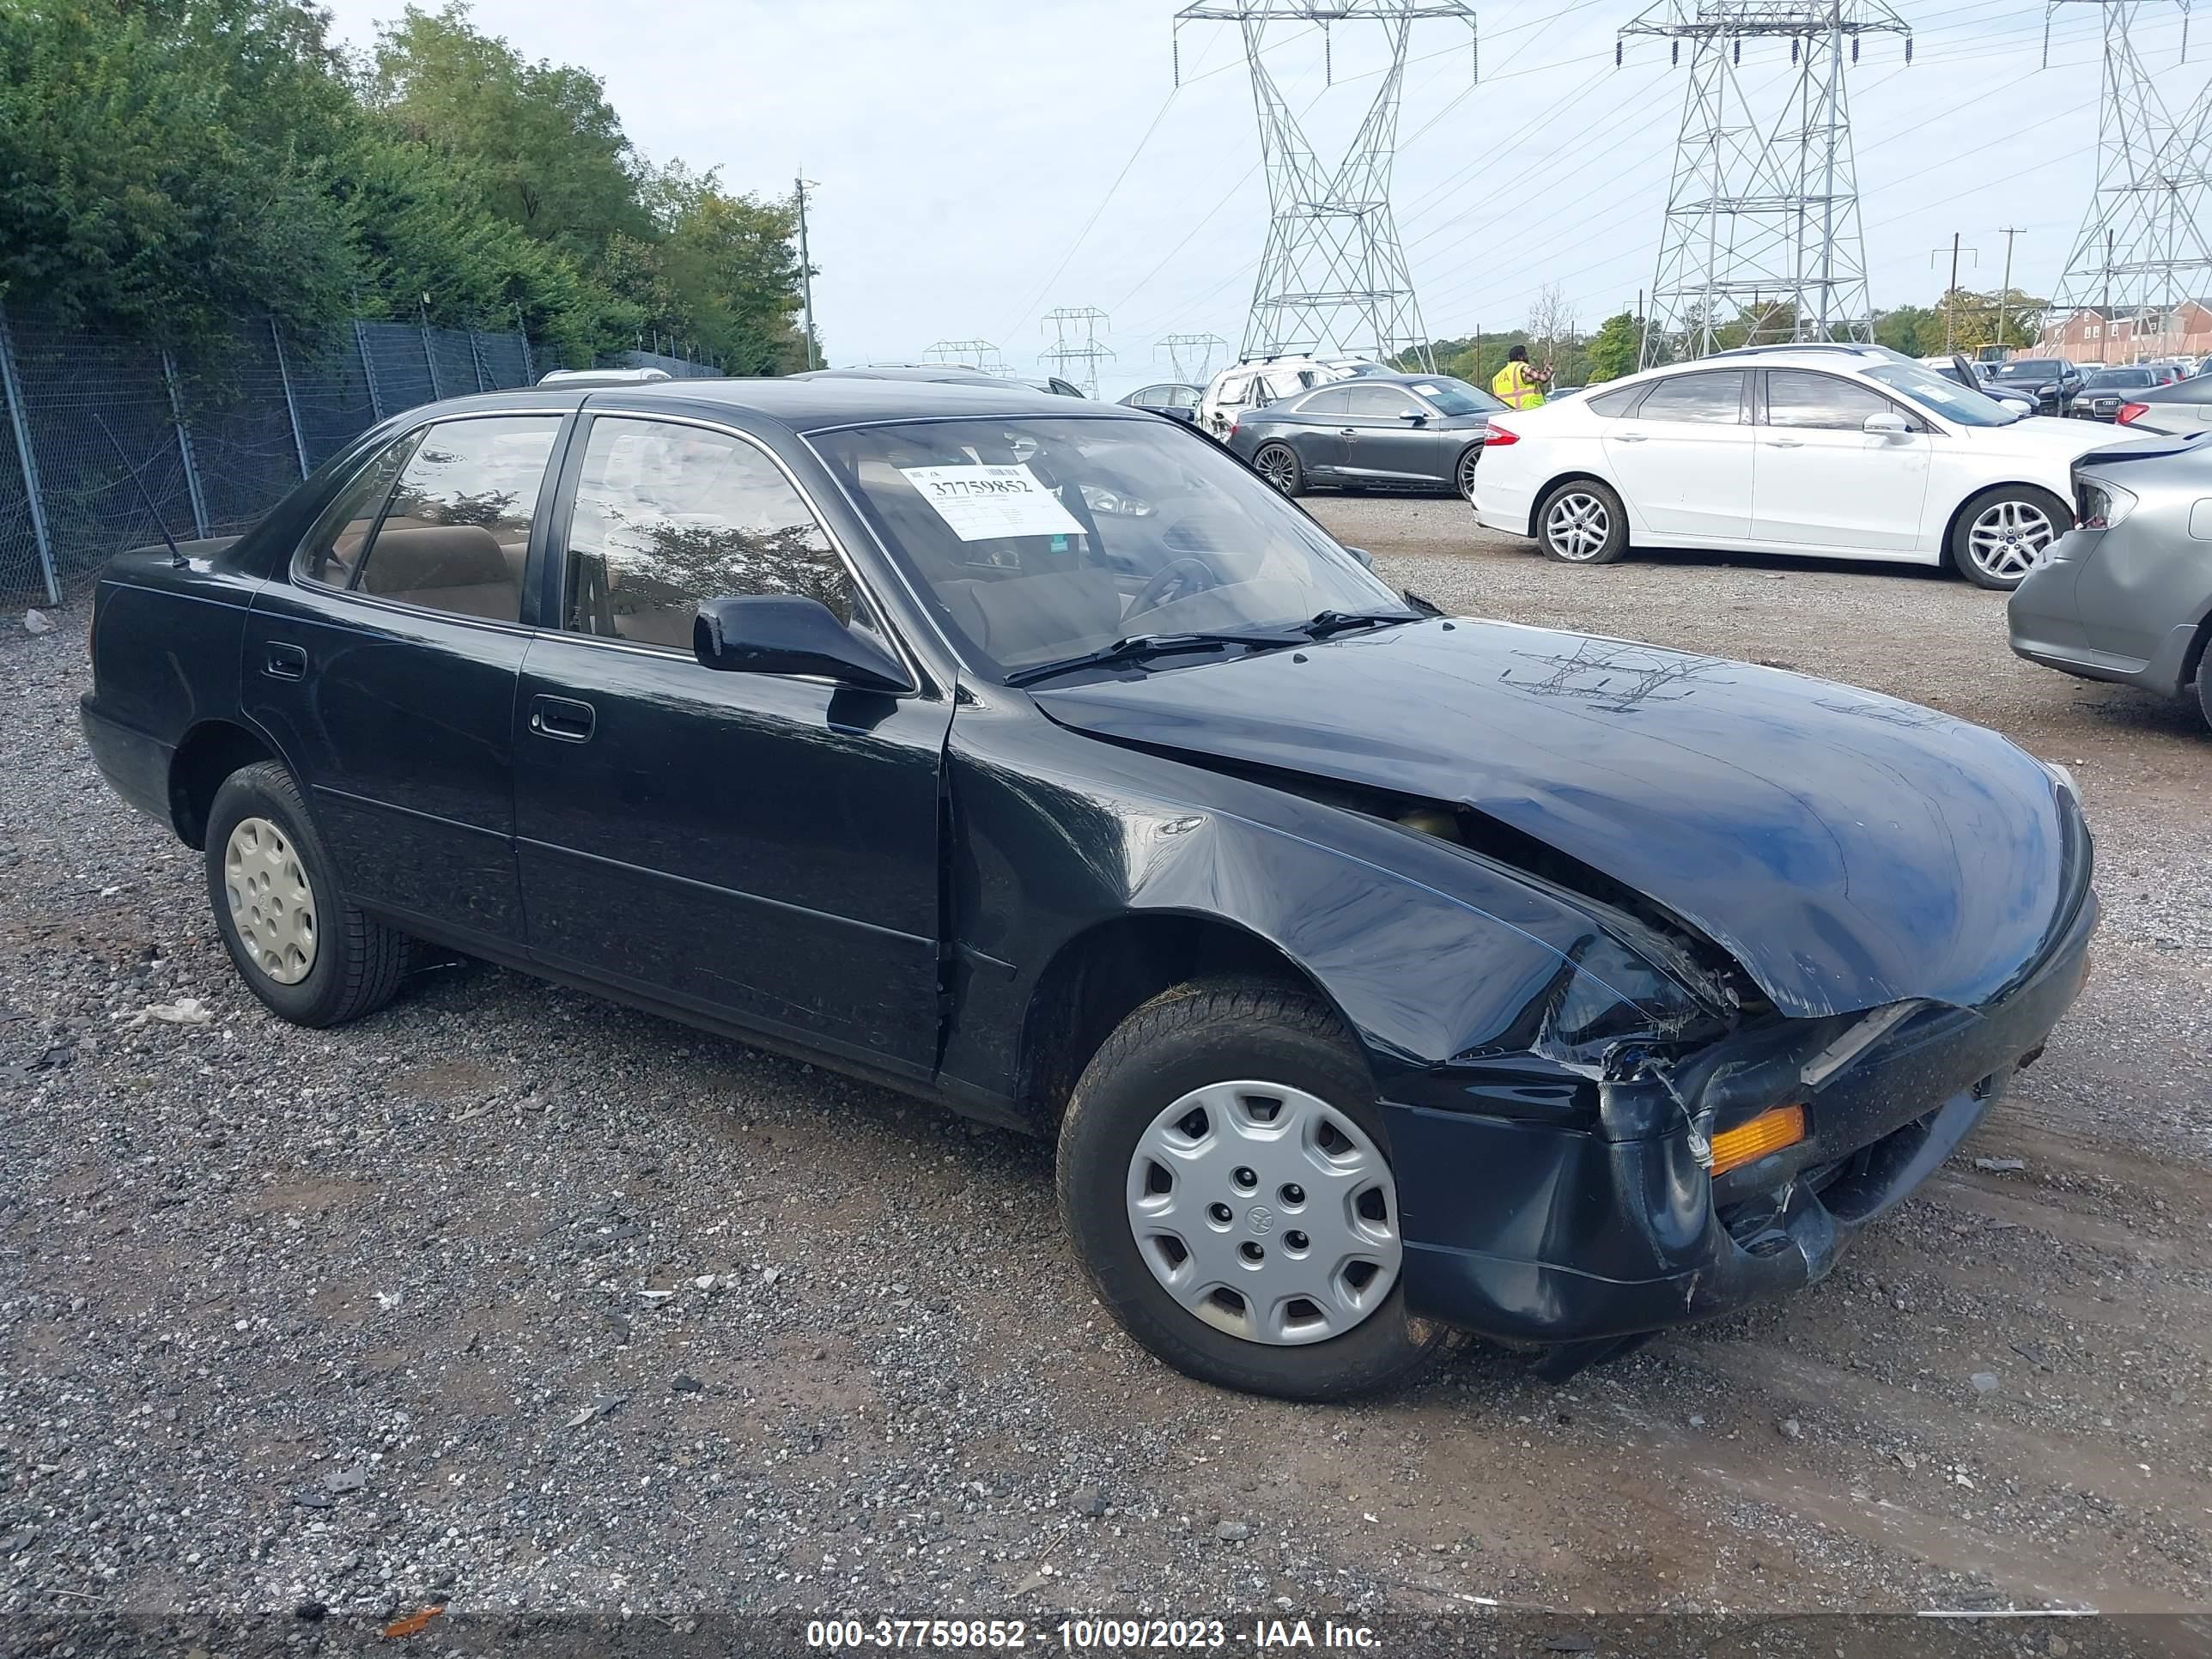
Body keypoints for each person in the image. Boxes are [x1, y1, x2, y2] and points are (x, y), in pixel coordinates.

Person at [1491, 345, 1551, 410]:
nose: (1527, 357)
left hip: (1508, 415)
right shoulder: (1521, 368)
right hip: (1530, 411)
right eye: (1526, 354)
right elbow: (1543, 378)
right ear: (1520, 357)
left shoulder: (1496, 378)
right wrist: (1549, 366)